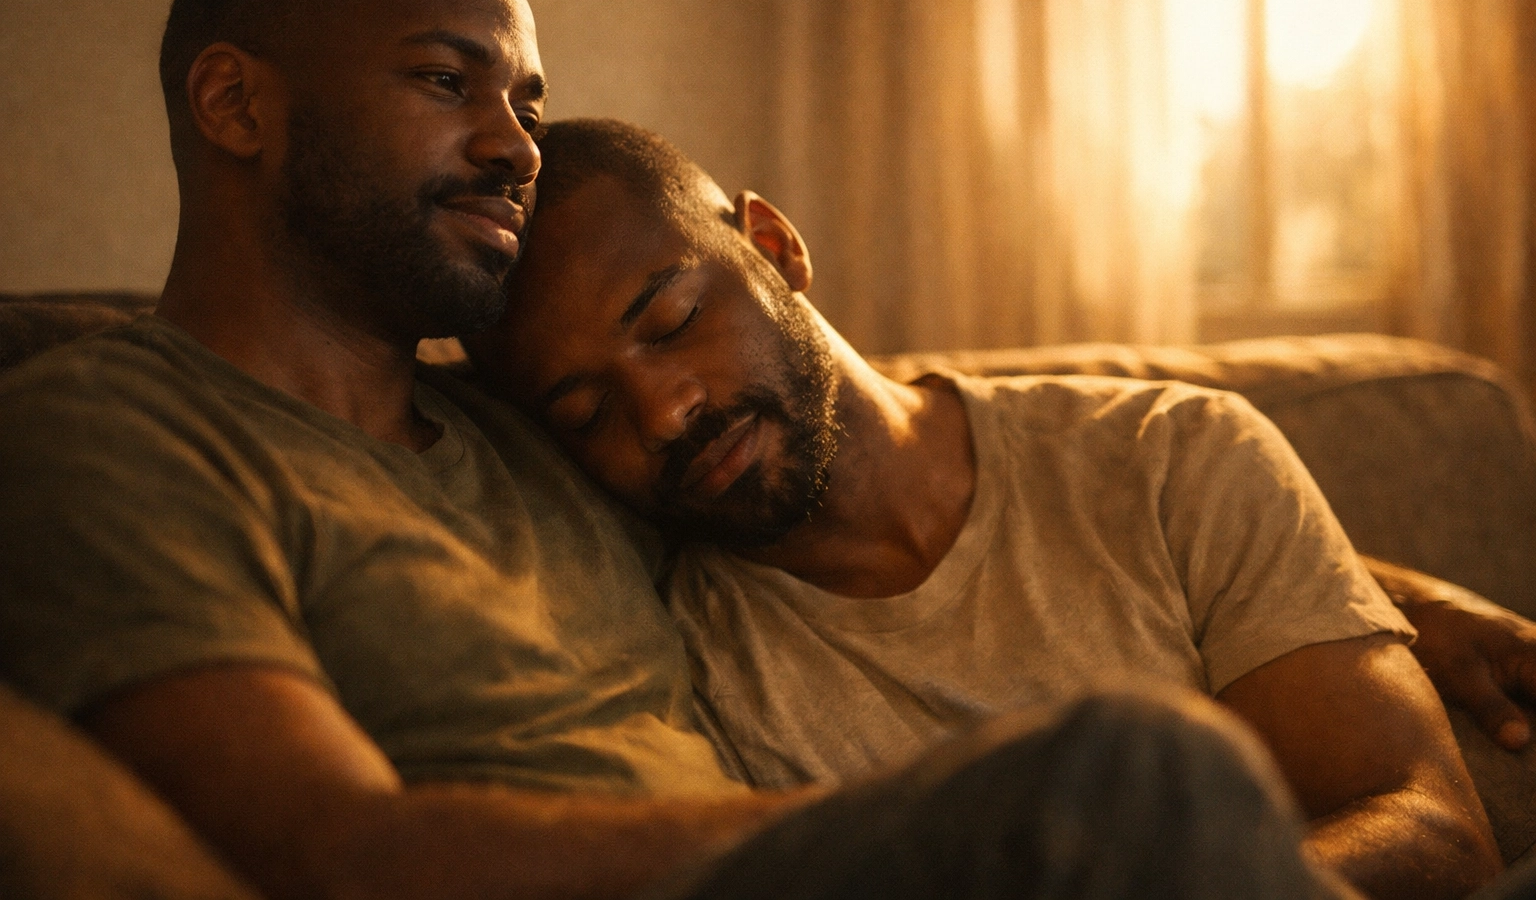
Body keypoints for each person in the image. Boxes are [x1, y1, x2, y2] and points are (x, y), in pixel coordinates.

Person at [0, 0, 1380, 900]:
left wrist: (1367, 587)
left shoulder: (529, 432)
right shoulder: (110, 433)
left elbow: (842, 480)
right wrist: (918, 830)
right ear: (236, 106)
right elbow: (325, 849)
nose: (510, 146)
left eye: (527, 108)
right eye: (443, 81)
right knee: (1135, 777)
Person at [467, 118, 1523, 900]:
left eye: (674, 320)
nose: (662, 412)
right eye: (587, 408)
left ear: (776, 247)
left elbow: (1433, 830)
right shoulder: (686, 665)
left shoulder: (1169, 452)